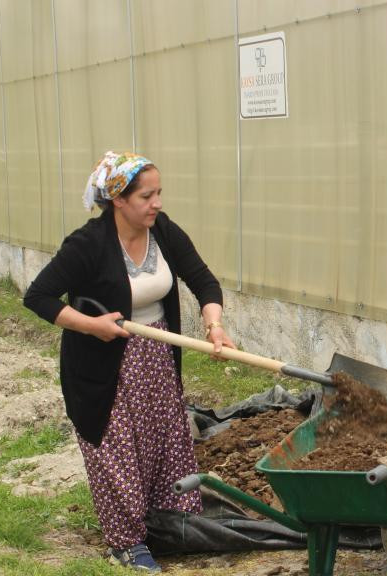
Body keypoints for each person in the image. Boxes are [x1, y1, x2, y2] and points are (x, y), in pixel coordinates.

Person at [24, 151, 235, 573]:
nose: (156, 202)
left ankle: (168, 521)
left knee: (164, 439)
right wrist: (91, 324)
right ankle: (127, 542)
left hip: (157, 355)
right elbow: (38, 297)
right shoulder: (88, 244)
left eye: (159, 193)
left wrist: (214, 324)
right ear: (118, 199)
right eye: (146, 196)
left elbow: (202, 279)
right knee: (116, 449)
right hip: (103, 367)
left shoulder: (163, 231)